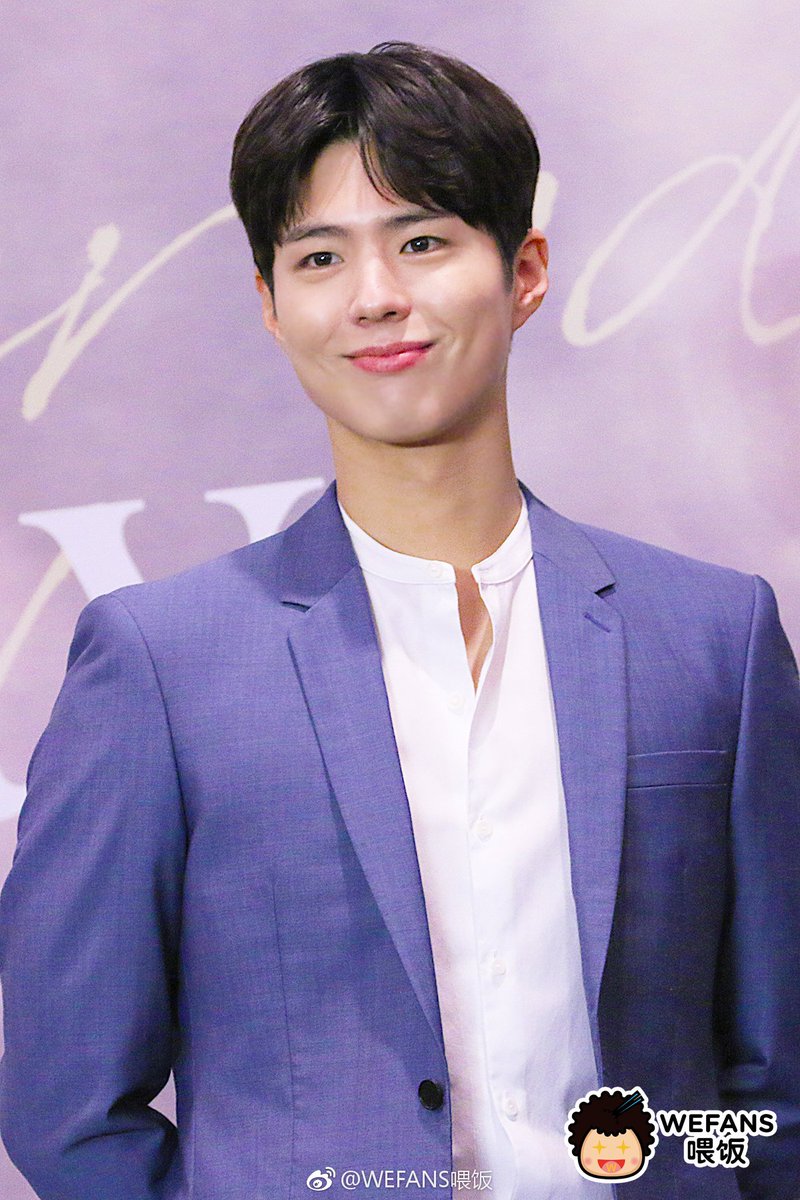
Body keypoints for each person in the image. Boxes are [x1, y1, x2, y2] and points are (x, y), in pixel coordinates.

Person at [1, 41, 798, 1200]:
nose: (374, 296)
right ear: (271, 305)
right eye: (319, 257)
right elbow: (68, 1105)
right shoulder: (161, 665)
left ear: (523, 271)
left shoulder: (713, 638)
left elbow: (775, 1084)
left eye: (421, 241)